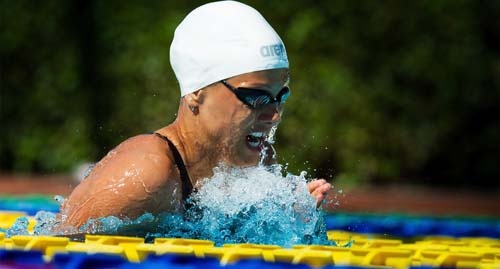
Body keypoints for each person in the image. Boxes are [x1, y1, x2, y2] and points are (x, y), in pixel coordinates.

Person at [59, 1, 331, 230]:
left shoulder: (257, 161)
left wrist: (294, 222)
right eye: (255, 97)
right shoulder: (146, 177)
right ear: (195, 93)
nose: (274, 115)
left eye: (280, 96)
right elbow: (56, 254)